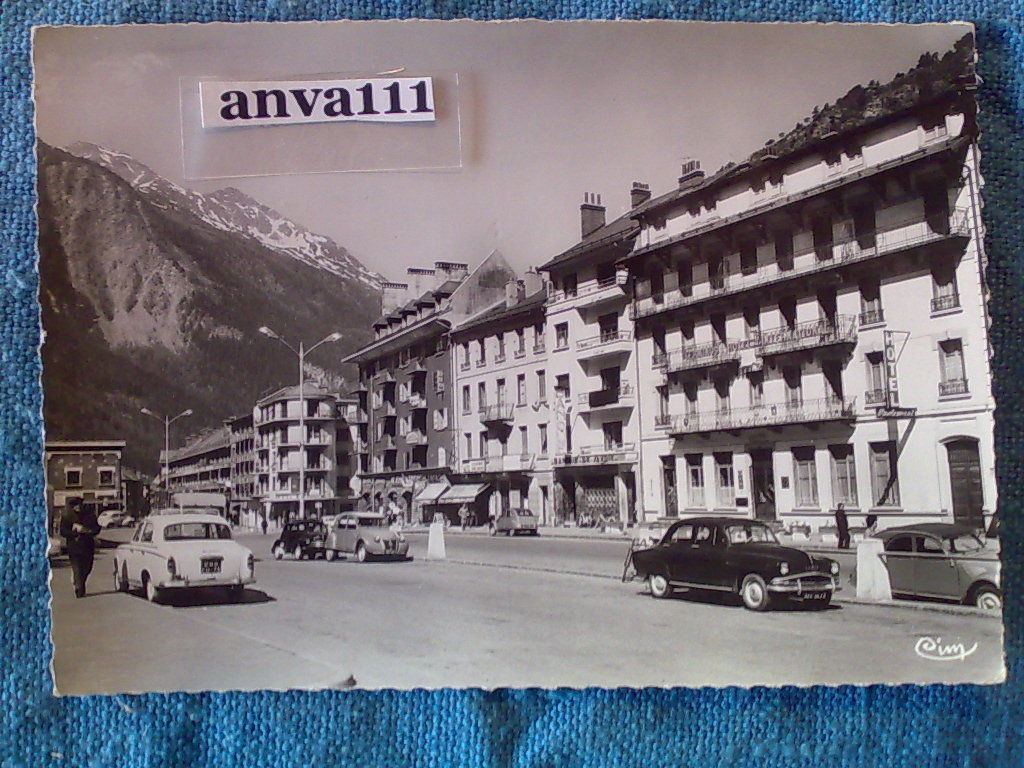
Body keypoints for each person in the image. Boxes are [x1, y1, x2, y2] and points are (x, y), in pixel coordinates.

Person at [59, 497, 101, 598]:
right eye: (75, 506)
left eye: (79, 505)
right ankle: (79, 589)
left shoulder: (89, 516)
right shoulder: (67, 517)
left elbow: (97, 528)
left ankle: (80, 582)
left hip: (88, 546)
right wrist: (74, 533)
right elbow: (63, 531)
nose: (78, 508)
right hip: (74, 547)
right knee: (77, 568)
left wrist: (89, 531)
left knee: (87, 568)